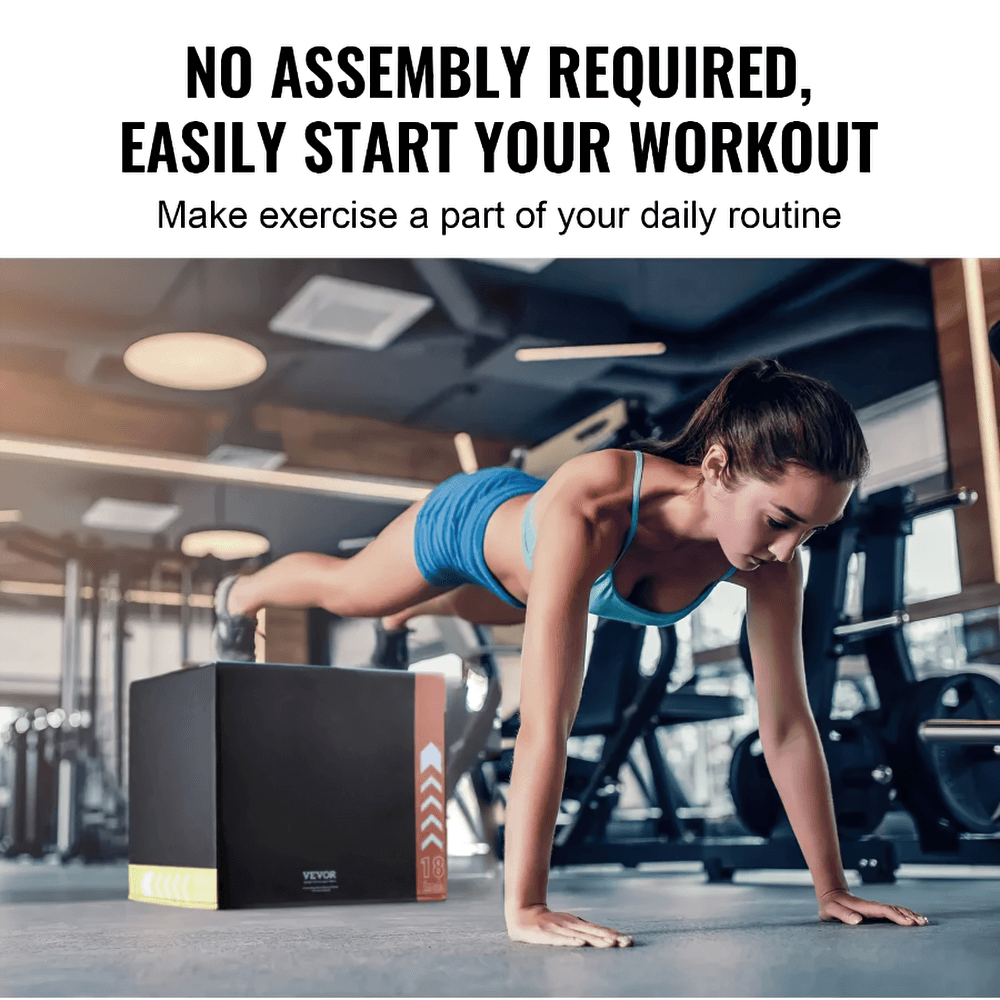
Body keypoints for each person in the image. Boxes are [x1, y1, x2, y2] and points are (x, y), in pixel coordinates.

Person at [213, 358, 929, 946]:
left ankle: (416, 604)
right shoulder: (595, 504)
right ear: (717, 465)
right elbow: (545, 722)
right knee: (351, 592)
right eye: (780, 521)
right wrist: (525, 906)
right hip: (471, 525)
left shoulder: (771, 563)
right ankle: (239, 596)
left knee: (484, 602)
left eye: (811, 532)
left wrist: (830, 886)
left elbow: (787, 725)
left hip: (529, 581)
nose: (786, 550)